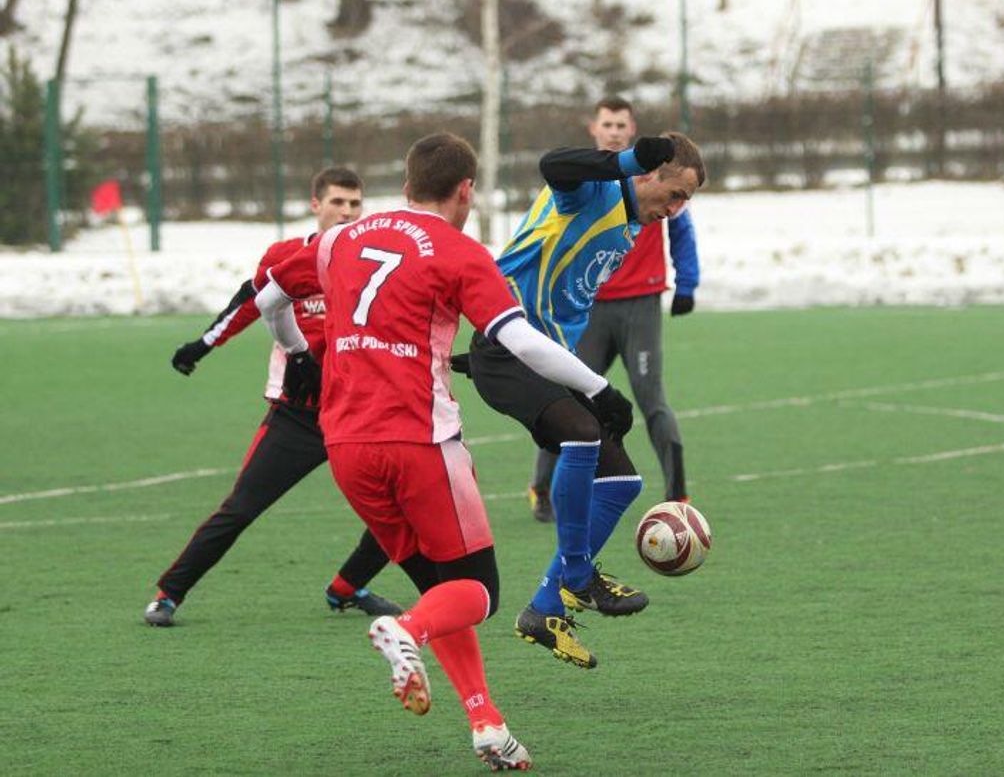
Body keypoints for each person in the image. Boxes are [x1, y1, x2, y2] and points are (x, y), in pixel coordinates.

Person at [254, 133, 632, 770]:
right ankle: (404, 631)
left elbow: (268, 299)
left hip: (345, 445)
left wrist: (301, 354)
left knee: (441, 591)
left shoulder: (339, 238)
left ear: (404, 188)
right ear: (466, 191)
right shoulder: (459, 251)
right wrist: (598, 388)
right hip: (420, 442)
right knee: (477, 591)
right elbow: (517, 341)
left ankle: (487, 723)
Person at [457, 129, 706, 668]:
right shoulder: (593, 192)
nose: (679, 207)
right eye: (677, 193)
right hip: (507, 345)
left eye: (687, 201)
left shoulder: (633, 226)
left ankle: (545, 607)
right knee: (583, 435)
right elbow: (553, 162)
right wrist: (625, 159)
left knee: (623, 480)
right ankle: (576, 574)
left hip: (547, 359)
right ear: (647, 175)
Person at [143, 167, 400, 627]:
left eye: (355, 203)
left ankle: (347, 587)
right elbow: (251, 300)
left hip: (359, 415)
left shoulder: (373, 260)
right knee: (240, 509)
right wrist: (204, 344)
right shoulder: (288, 257)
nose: (346, 212)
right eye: (337, 202)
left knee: (403, 506)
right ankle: (168, 594)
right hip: (297, 419)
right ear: (315, 204)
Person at [527, 96, 699, 522]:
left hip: (640, 306)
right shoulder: (589, 184)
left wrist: (687, 283)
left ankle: (677, 496)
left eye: (623, 124)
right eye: (609, 123)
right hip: (593, 309)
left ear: (632, 127)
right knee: (570, 399)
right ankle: (541, 487)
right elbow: (555, 171)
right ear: (595, 129)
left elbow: (682, 229)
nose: (616, 130)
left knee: (651, 400)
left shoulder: (662, 193)